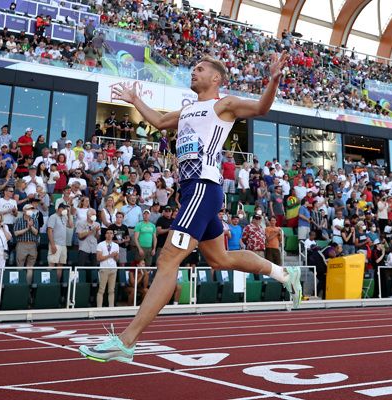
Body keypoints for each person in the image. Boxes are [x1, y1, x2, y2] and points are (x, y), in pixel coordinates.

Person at [80, 53, 301, 363]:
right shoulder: (187, 111)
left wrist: (274, 81)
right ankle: (284, 273)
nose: (193, 72)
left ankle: (126, 341)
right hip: (191, 193)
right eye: (194, 68)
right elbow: (157, 121)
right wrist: (134, 99)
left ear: (216, 79)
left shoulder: (224, 105)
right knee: (220, 258)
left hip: (203, 187)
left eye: (200, 69)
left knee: (169, 257)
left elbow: (262, 108)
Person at [14, 204, 40, 284]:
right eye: (29, 209)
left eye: (32, 209)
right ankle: (20, 285)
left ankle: (28, 286)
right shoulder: (18, 220)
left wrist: (31, 226)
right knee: (20, 266)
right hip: (22, 244)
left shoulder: (35, 219)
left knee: (30, 267)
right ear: (24, 210)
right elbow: (16, 233)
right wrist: (27, 228)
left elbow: (36, 232)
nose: (31, 210)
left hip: (32, 245)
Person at [47, 203, 73, 280]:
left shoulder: (65, 217)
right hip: (55, 244)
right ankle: (49, 283)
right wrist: (52, 245)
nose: (65, 210)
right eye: (64, 209)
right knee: (51, 263)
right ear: (59, 209)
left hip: (63, 245)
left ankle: (57, 284)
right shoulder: (53, 217)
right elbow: (49, 231)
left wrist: (68, 214)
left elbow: (71, 225)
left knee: (60, 265)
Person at [96, 228, 119, 307]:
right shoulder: (100, 244)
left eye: (111, 233)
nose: (109, 234)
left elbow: (117, 259)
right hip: (104, 268)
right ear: (105, 235)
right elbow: (98, 258)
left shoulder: (116, 245)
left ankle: (111, 307)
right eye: (108, 233)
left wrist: (115, 256)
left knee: (111, 290)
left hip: (113, 268)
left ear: (113, 235)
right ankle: (99, 308)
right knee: (101, 289)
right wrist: (110, 255)